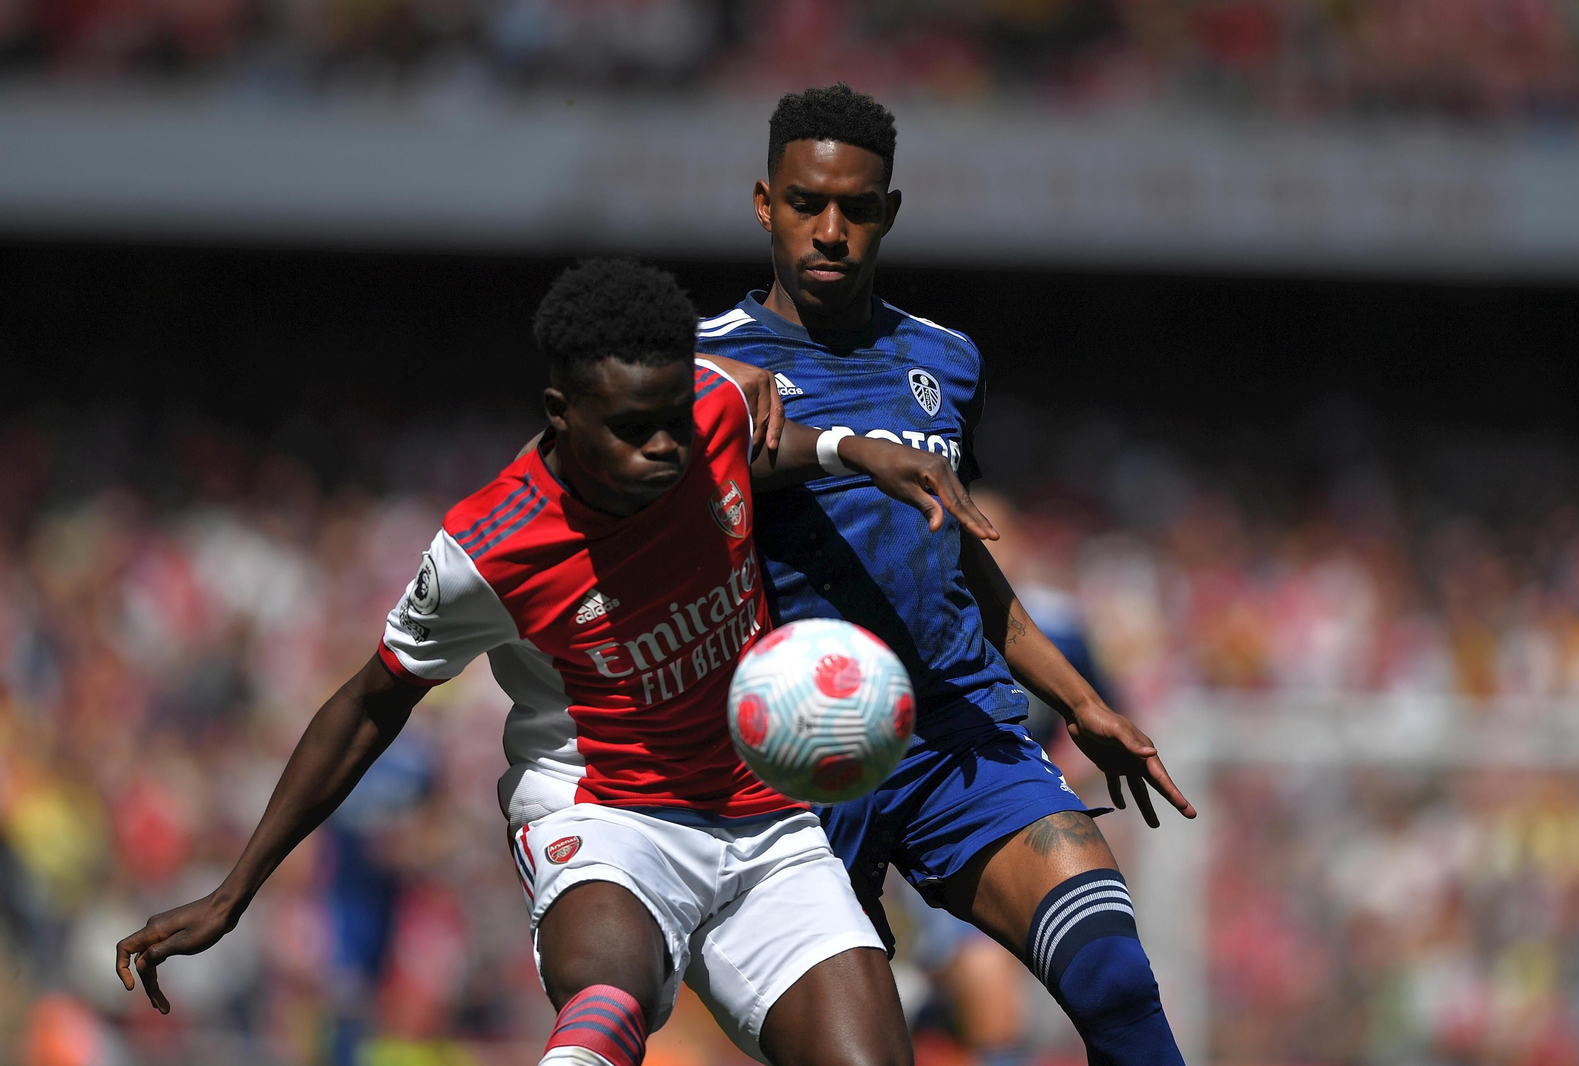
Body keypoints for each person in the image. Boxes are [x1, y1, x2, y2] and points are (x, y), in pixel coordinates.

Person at [114, 257, 1000, 1066]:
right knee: (608, 1000)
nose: (664, 447)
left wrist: (853, 449)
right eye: (631, 430)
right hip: (608, 812)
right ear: (560, 415)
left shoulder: (711, 406)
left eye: (673, 425)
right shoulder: (487, 551)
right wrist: (234, 892)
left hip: (766, 819)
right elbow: (368, 704)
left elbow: (756, 443)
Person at [694, 85, 1198, 1065]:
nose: (830, 229)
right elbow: (714, 469)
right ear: (765, 204)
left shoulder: (944, 359)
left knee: (1114, 975)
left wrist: (1080, 700)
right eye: (806, 203)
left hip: (954, 734)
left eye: (857, 207)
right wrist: (851, 448)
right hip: (792, 763)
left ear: (889, 211)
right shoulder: (704, 364)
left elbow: (957, 561)